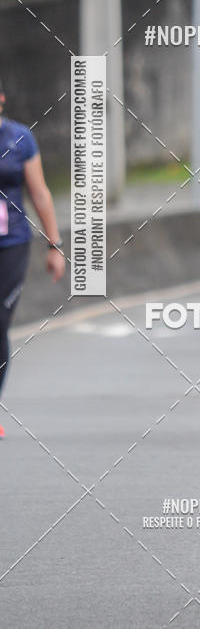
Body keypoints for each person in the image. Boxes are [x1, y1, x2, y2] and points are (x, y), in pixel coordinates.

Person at [0, 78, 65, 438]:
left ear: (2, 99)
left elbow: (39, 194)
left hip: (11, 243)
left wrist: (54, 245)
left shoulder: (19, 138)